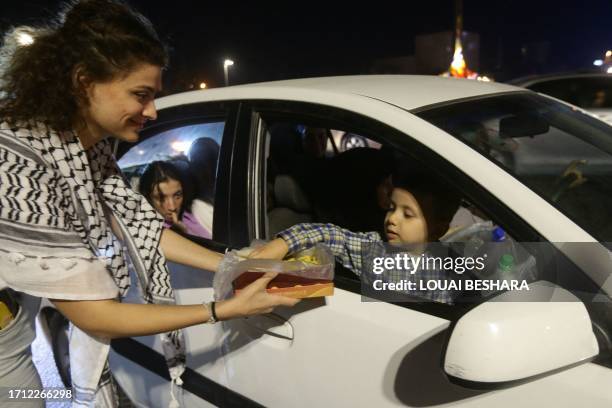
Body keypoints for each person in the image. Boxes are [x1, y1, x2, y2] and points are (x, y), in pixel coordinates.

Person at [0, 1, 298, 406]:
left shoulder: (85, 147)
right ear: (83, 81)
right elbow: (94, 315)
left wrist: (232, 263)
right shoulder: (17, 161)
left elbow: (137, 223)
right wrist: (222, 309)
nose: (152, 111)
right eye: (140, 95)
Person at [250, 166, 462, 304]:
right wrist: (284, 243)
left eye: (407, 214)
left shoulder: (450, 266)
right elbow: (332, 235)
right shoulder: (375, 249)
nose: (392, 219)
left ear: (438, 230)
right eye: (391, 207)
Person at [140, 160, 211, 239]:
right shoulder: (151, 232)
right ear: (148, 198)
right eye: (161, 198)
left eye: (177, 195)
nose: (172, 207)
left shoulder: (195, 211)